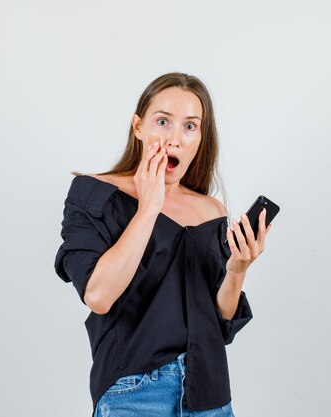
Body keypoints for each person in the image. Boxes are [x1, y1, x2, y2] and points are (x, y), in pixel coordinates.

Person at [54, 72, 273, 417]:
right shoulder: (93, 193)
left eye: (190, 126)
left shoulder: (211, 210)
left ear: (201, 138)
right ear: (138, 126)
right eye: (162, 121)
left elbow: (221, 319)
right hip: (134, 394)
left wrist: (237, 269)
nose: (175, 138)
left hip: (209, 395)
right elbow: (98, 296)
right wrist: (149, 207)